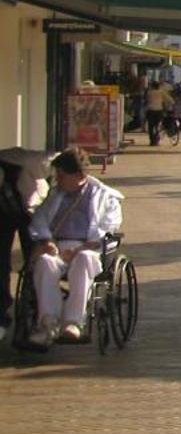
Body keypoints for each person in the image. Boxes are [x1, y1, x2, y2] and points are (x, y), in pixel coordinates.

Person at [21, 146, 123, 348]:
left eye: (61, 175)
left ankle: (74, 322)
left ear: (78, 175)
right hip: (58, 246)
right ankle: (48, 322)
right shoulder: (55, 195)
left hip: (89, 248)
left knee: (84, 261)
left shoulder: (104, 197)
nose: (57, 179)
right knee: (44, 263)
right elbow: (40, 219)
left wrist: (81, 248)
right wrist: (47, 241)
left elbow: (108, 227)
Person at [0, 150, 50, 330]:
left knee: (33, 259)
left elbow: (44, 172)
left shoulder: (25, 166)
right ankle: (3, 308)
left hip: (30, 208)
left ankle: (36, 305)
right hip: (7, 210)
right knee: (2, 260)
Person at [143, 79, 171, 145]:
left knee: (151, 126)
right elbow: (170, 100)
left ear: (152, 86)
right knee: (157, 125)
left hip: (150, 110)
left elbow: (146, 100)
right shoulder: (161, 92)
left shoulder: (149, 92)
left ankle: (152, 140)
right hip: (159, 110)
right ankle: (157, 139)